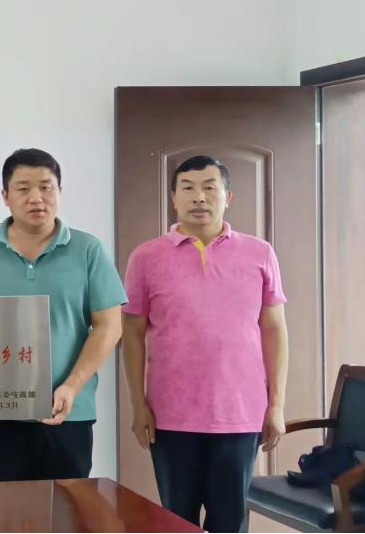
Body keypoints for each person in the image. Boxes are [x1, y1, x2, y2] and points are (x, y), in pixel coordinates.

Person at [123, 155, 289, 533]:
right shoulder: (146, 257)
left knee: (230, 522)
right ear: (173, 198)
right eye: (188, 188)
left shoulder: (260, 253)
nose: (199, 197)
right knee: (176, 520)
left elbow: (275, 330)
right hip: (170, 415)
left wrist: (277, 405)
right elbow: (131, 333)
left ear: (227, 197)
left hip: (239, 413)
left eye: (210, 188)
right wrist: (138, 404)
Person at [0, 148, 125, 481]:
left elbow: (109, 326)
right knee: (5, 507)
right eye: (24, 188)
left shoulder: (88, 250)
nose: (36, 198)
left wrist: (72, 386)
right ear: (5, 196)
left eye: (46, 187)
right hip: (0, 413)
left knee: (69, 507)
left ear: (59, 191)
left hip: (68, 411)